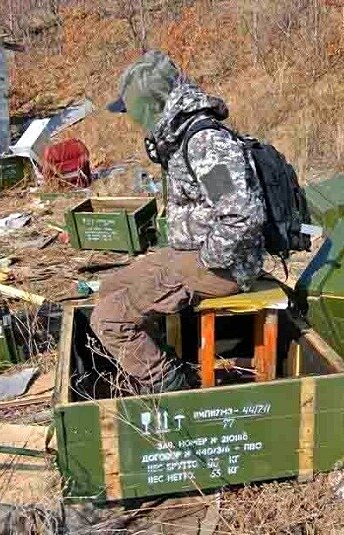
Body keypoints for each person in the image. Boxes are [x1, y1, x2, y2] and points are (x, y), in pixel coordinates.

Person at [90, 50, 266, 394]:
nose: (131, 121)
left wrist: (204, 261)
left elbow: (240, 215)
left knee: (109, 320)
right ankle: (156, 359)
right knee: (111, 288)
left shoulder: (204, 142)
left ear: (151, 106)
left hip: (225, 266)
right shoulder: (179, 136)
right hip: (191, 251)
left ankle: (167, 386)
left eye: (132, 112)